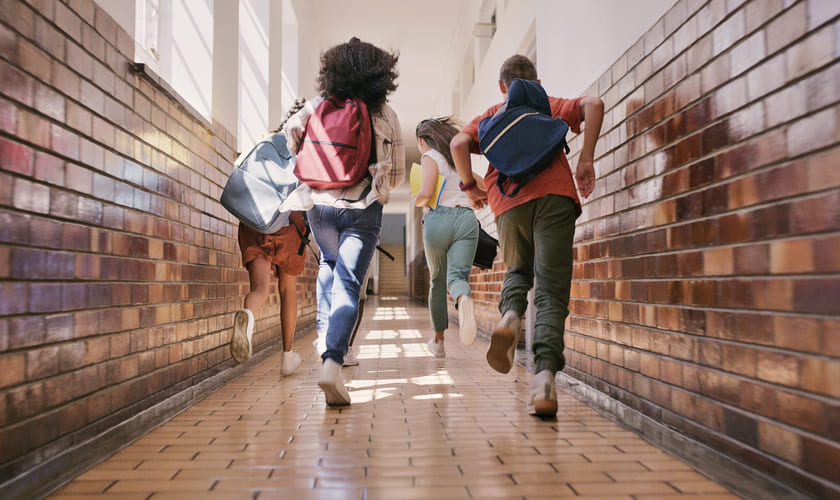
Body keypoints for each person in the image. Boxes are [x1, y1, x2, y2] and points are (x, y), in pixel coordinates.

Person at [450, 55, 604, 416]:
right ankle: (545, 378)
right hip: (555, 197)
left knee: (518, 271)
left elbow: (458, 143)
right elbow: (594, 104)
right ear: (534, 81)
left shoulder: (491, 113)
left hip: (508, 200)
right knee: (551, 289)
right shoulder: (547, 105)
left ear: (504, 86)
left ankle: (509, 318)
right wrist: (586, 160)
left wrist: (469, 185)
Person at [284, 37, 405, 406]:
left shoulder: (318, 105)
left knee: (329, 265)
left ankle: (325, 337)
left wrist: (312, 166)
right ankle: (332, 360)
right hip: (363, 205)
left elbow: (291, 135)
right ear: (380, 74)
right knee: (349, 284)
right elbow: (397, 173)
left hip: (318, 204)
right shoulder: (384, 113)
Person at [414, 117, 481, 358]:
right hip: (466, 218)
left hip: (438, 219)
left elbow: (427, 192)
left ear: (422, 140)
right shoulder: (458, 156)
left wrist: (418, 200)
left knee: (437, 281)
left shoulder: (430, 156)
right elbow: (480, 186)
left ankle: (438, 342)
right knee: (458, 276)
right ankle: (463, 298)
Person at [230, 211, 307, 377]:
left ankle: (248, 315)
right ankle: (287, 357)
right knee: (288, 290)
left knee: (260, 289)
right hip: (289, 225)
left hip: (254, 219)